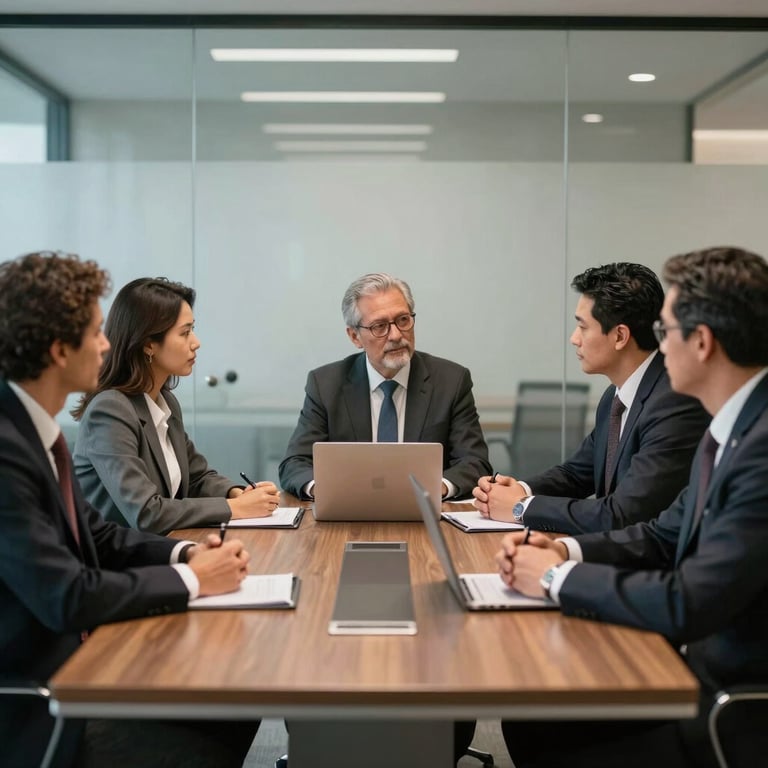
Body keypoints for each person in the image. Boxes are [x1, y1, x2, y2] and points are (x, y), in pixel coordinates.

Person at [495, 246, 768, 768]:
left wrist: (555, 579)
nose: (657, 347)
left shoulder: (757, 446)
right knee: (531, 718)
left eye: (664, 331)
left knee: (541, 726)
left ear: (703, 342)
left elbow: (688, 600)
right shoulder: (732, 427)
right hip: (691, 671)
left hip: (724, 708)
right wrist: (563, 549)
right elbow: (665, 532)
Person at [0, 252, 258, 768]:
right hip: (47, 701)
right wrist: (193, 581)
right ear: (57, 350)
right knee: (229, 704)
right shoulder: (8, 453)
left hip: (85, 663)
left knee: (236, 699)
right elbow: (67, 595)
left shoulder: (35, 434)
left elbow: (99, 534)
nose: (105, 344)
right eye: (96, 332)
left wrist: (185, 554)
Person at [473, 262, 709, 534]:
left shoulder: (673, 403)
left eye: (583, 327)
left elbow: (622, 514)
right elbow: (576, 473)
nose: (574, 339)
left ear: (620, 336)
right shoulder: (616, 396)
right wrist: (519, 489)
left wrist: (521, 507)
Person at [72, 277, 279, 535]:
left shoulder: (164, 400)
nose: (196, 342)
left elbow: (198, 477)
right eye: (185, 332)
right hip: (117, 565)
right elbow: (147, 513)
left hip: (160, 549)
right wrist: (235, 508)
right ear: (148, 344)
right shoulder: (110, 411)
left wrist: (238, 493)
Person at [279, 272, 492, 500]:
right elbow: (295, 463)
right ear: (355, 337)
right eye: (379, 326)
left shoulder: (451, 381)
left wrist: (434, 488)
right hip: (348, 514)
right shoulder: (325, 384)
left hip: (426, 513)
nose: (396, 335)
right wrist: (324, 490)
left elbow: (474, 462)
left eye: (403, 320)